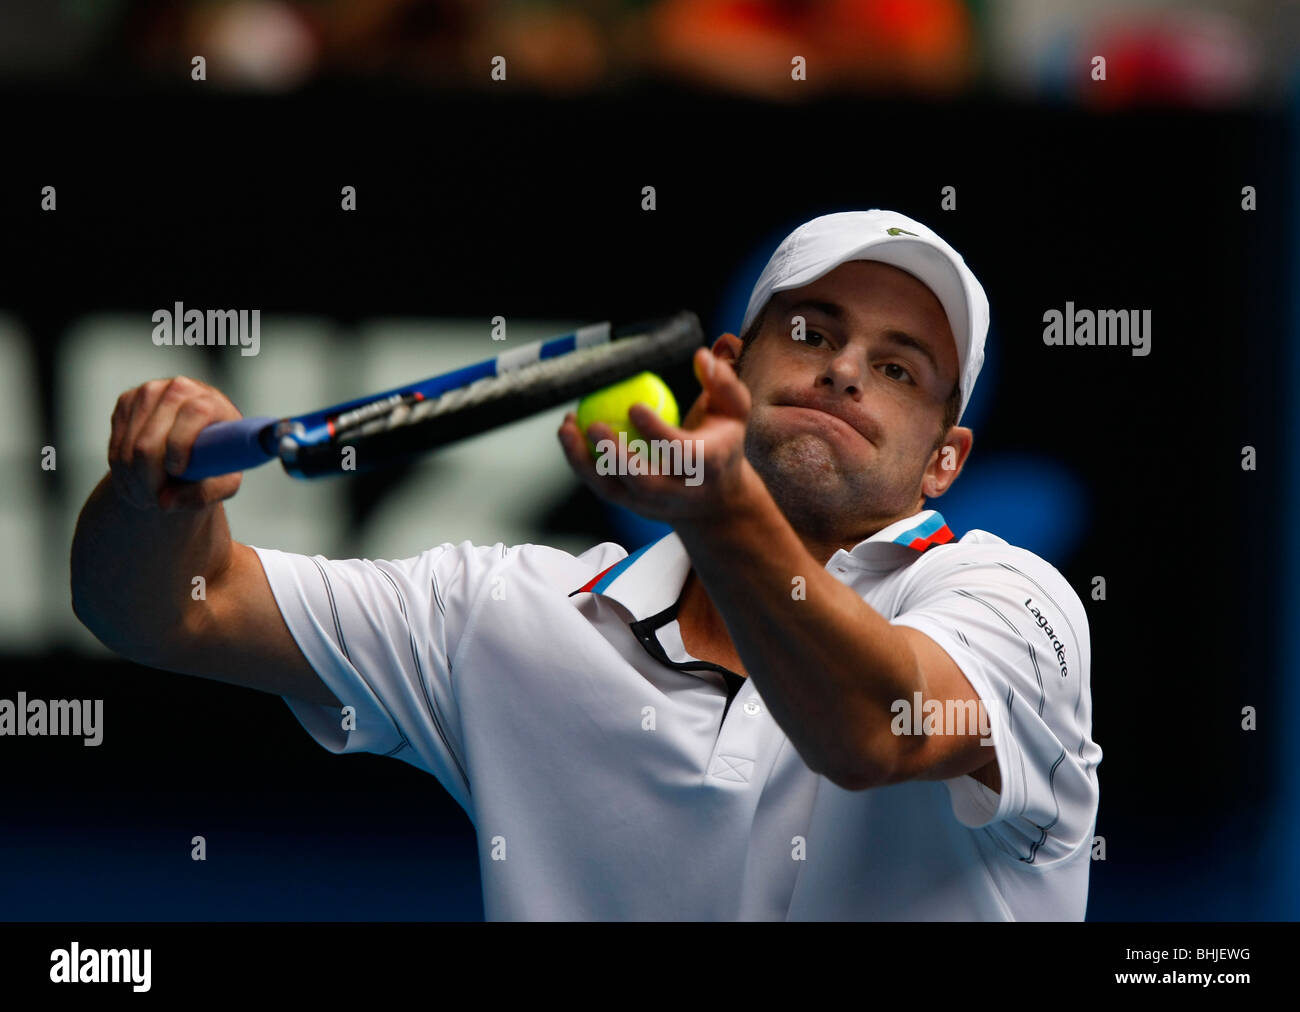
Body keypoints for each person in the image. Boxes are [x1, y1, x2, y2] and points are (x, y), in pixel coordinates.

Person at [71, 209, 1101, 920]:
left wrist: (719, 508)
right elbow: (169, 612)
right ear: (726, 371)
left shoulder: (1011, 607)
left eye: (895, 368)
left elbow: (879, 728)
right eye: (812, 331)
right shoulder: (506, 614)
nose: (841, 368)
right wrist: (150, 494)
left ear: (943, 461)